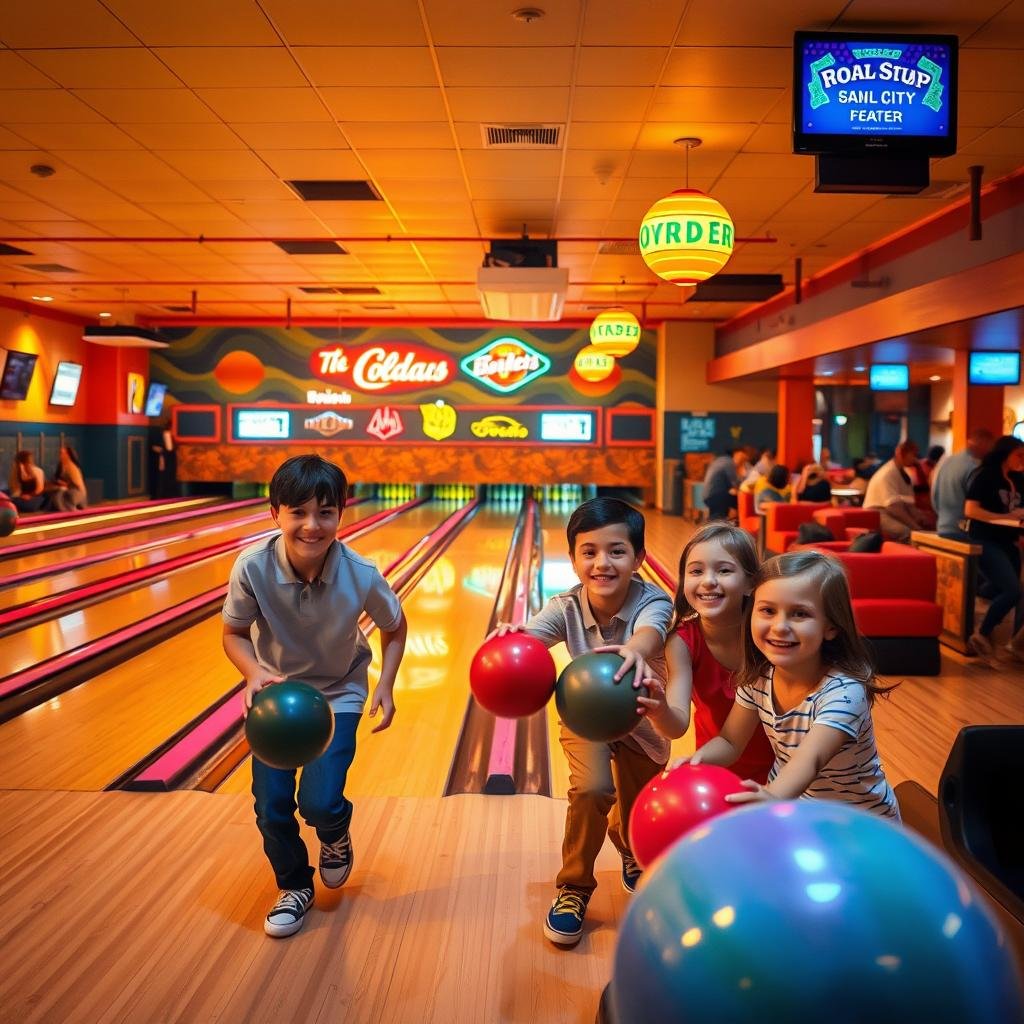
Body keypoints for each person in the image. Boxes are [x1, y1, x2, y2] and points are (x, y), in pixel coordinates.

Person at [222, 454, 408, 938]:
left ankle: (335, 832)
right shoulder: (252, 568)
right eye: (298, 512)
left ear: (341, 514)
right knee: (271, 804)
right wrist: (252, 673)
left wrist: (385, 683)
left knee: (321, 802)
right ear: (275, 513)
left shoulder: (361, 572)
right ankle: (293, 886)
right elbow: (234, 633)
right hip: (279, 697)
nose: (312, 524)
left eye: (325, 512)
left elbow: (395, 627)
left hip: (339, 690)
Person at [499, 497, 673, 948]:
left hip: (642, 721)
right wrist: (513, 640)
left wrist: (635, 648)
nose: (602, 562)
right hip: (585, 717)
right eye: (589, 551)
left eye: (617, 551)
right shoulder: (566, 606)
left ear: (639, 558)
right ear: (573, 558)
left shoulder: (654, 600)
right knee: (593, 789)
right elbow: (534, 639)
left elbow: (652, 629)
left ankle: (630, 847)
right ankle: (573, 888)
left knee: (634, 813)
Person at [680, 550, 900, 820]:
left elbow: (810, 760)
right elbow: (730, 741)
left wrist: (772, 797)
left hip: (858, 823)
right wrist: (696, 763)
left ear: (831, 626)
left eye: (799, 614)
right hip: (799, 810)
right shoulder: (760, 678)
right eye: (768, 611)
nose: (780, 626)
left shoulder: (844, 692)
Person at [646, 522, 774, 785]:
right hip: (715, 765)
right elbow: (676, 725)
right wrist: (659, 710)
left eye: (724, 570)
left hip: (784, 772)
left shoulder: (772, 635)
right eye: (696, 571)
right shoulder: (682, 641)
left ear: (751, 582)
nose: (708, 581)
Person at [963, 435, 1024, 662]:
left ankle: (1012, 643)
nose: (1022, 459)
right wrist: (1003, 516)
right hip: (985, 540)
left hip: (1009, 541)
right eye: (1018, 454)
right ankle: (983, 632)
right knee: (1012, 590)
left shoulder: (1018, 479)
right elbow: (971, 510)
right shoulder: (986, 476)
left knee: (1011, 589)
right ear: (1005, 454)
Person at [931, 428, 995, 540]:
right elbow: (977, 506)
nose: (991, 451)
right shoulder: (974, 468)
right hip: (964, 532)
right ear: (983, 443)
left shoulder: (946, 461)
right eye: (990, 446)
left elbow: (934, 496)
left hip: (942, 527)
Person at [862, 440, 930, 541]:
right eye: (913, 455)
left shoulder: (903, 474)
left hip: (889, 511)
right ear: (902, 454)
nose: (915, 459)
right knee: (907, 532)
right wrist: (915, 527)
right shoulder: (888, 473)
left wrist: (920, 517)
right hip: (876, 514)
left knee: (920, 529)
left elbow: (909, 505)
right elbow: (894, 508)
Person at [703, 448, 747, 521]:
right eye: (742, 459)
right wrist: (740, 468)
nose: (742, 460)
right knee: (740, 502)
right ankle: (738, 525)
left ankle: (716, 526)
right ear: (735, 455)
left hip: (709, 495)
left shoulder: (720, 461)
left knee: (716, 516)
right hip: (716, 496)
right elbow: (735, 484)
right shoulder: (729, 463)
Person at [48, 444, 87, 511]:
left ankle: (68, 509)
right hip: (68, 490)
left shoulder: (72, 467)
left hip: (76, 493)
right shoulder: (61, 465)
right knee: (57, 491)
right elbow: (56, 478)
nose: (59, 455)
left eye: (61, 453)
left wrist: (66, 485)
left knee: (60, 491)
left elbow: (77, 484)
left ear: (68, 455)